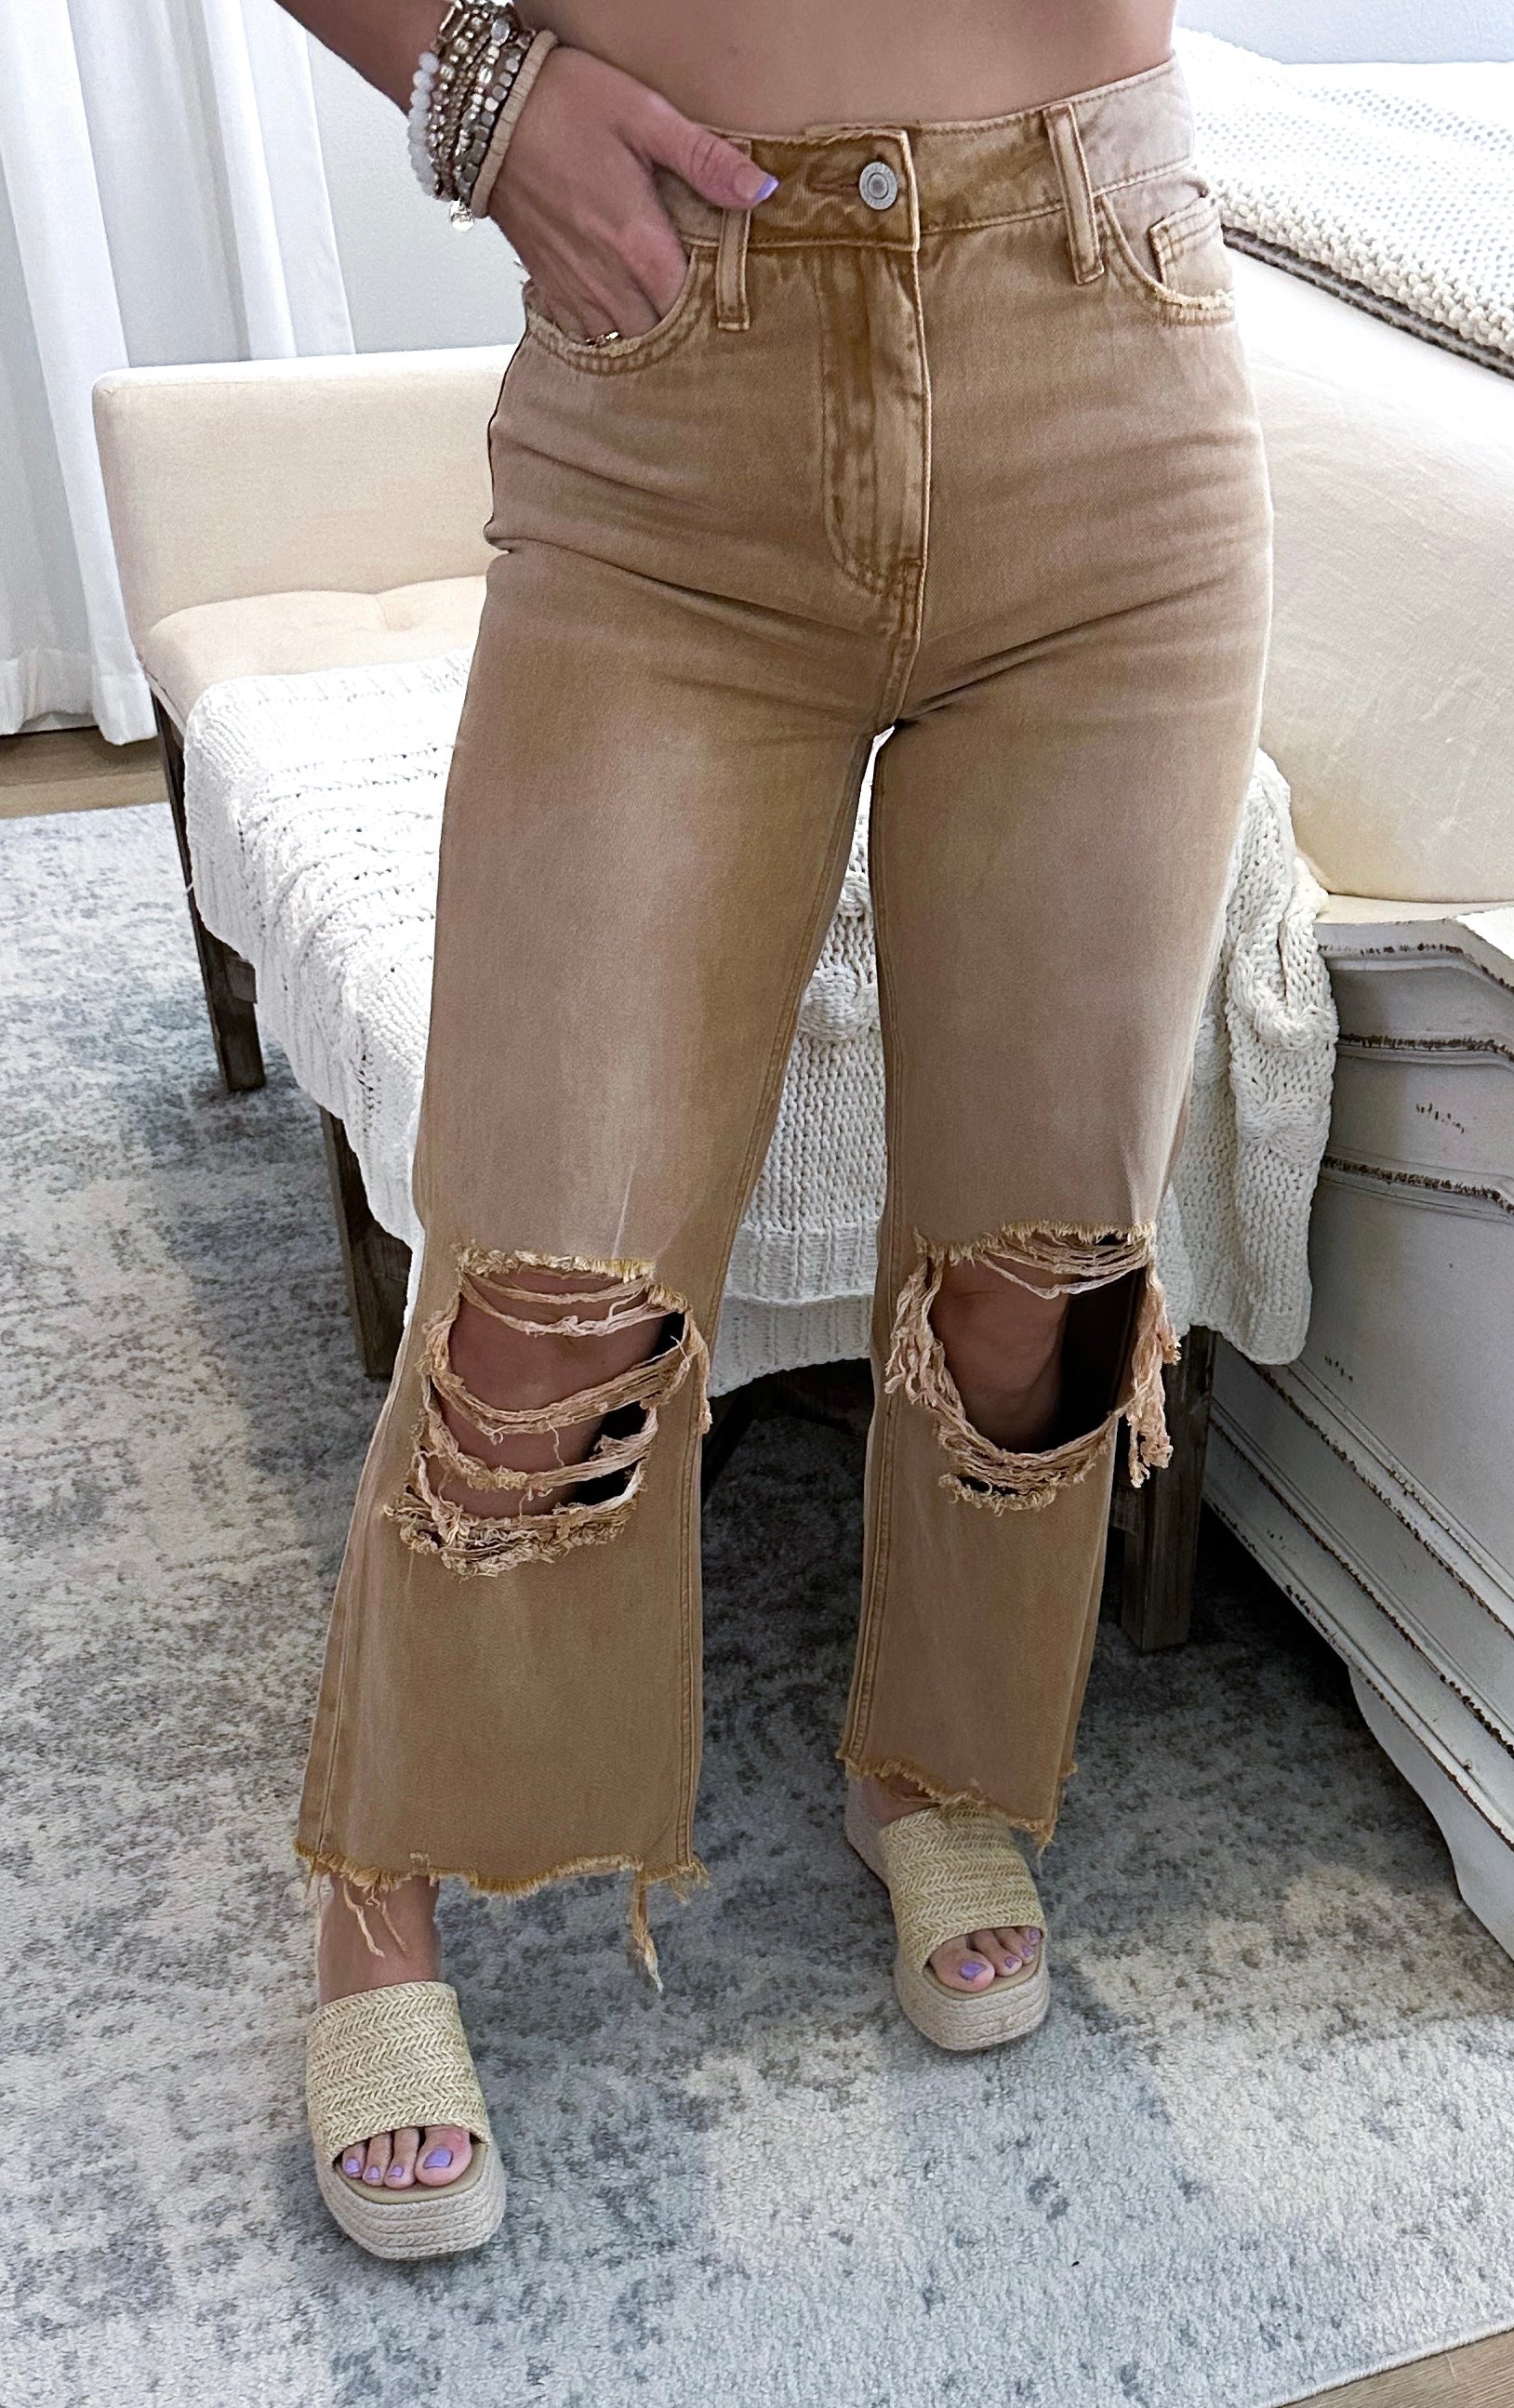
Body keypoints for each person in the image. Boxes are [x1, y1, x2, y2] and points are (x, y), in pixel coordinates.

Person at [277, 0, 1271, 2257]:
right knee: (541, 1313)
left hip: (1103, 353)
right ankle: (374, 1885)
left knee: (1036, 1283)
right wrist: (476, 86)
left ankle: (927, 1762)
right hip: (674, 402)